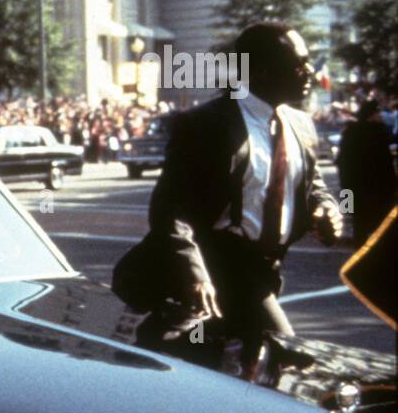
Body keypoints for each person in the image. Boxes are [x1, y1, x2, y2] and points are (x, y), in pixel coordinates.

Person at [113, 22, 343, 376]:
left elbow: (312, 185)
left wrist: (325, 208)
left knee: (223, 372)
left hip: (266, 270)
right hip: (217, 265)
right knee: (289, 359)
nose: (310, 72)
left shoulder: (301, 124)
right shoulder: (208, 124)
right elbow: (171, 208)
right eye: (299, 64)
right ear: (262, 70)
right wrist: (194, 275)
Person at [337, 98, 397, 246]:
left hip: (355, 185)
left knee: (359, 222)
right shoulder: (379, 132)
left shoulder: (350, 131)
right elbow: (385, 162)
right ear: (371, 114)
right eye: (377, 113)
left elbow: (342, 161)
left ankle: (360, 249)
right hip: (378, 186)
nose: (380, 116)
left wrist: (345, 188)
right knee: (381, 222)